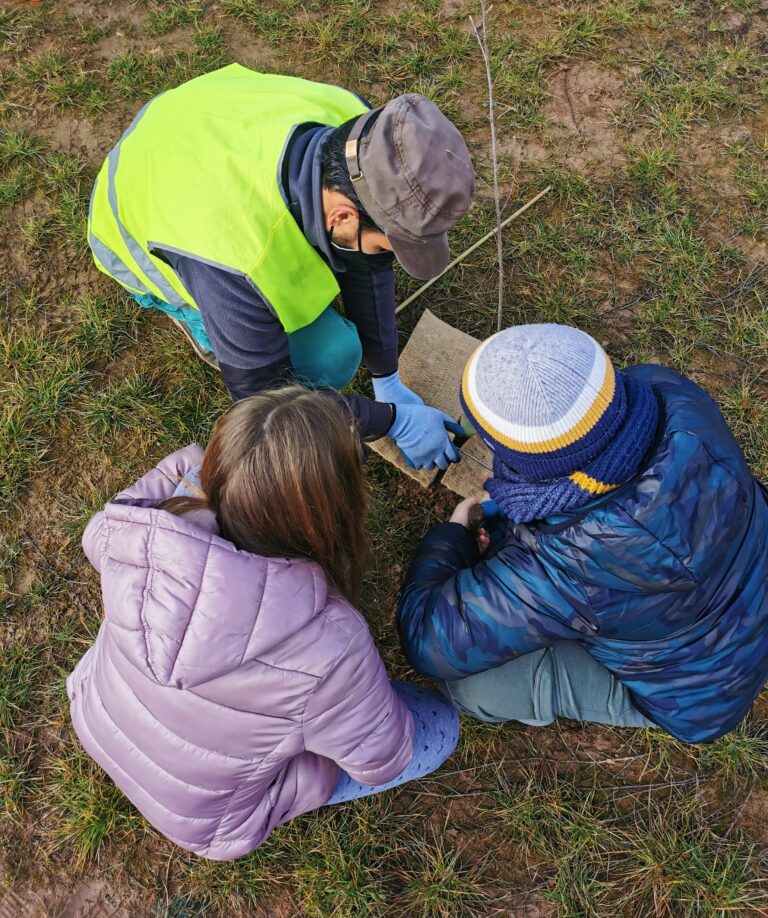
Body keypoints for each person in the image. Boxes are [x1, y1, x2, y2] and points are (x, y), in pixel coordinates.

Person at [67, 389, 458, 861]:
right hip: (212, 824)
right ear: (327, 513)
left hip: (94, 712)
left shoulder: (132, 530)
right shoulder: (329, 645)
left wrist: (211, 471)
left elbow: (149, 494)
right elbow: (383, 759)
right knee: (438, 725)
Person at [86, 64, 474, 471]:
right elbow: (269, 405)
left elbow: (367, 266)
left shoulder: (360, 135)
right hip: (131, 212)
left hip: (197, 120)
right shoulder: (230, 257)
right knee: (330, 359)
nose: (388, 260)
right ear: (341, 216)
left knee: (344, 275)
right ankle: (199, 321)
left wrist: (387, 376)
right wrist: (391, 421)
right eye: (387, 247)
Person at [397, 324, 768, 744]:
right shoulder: (671, 393)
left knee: (470, 688)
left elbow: (428, 639)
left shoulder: (565, 562)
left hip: (705, 693)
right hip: (755, 579)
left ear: (527, 459)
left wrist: (452, 536)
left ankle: (548, 698)